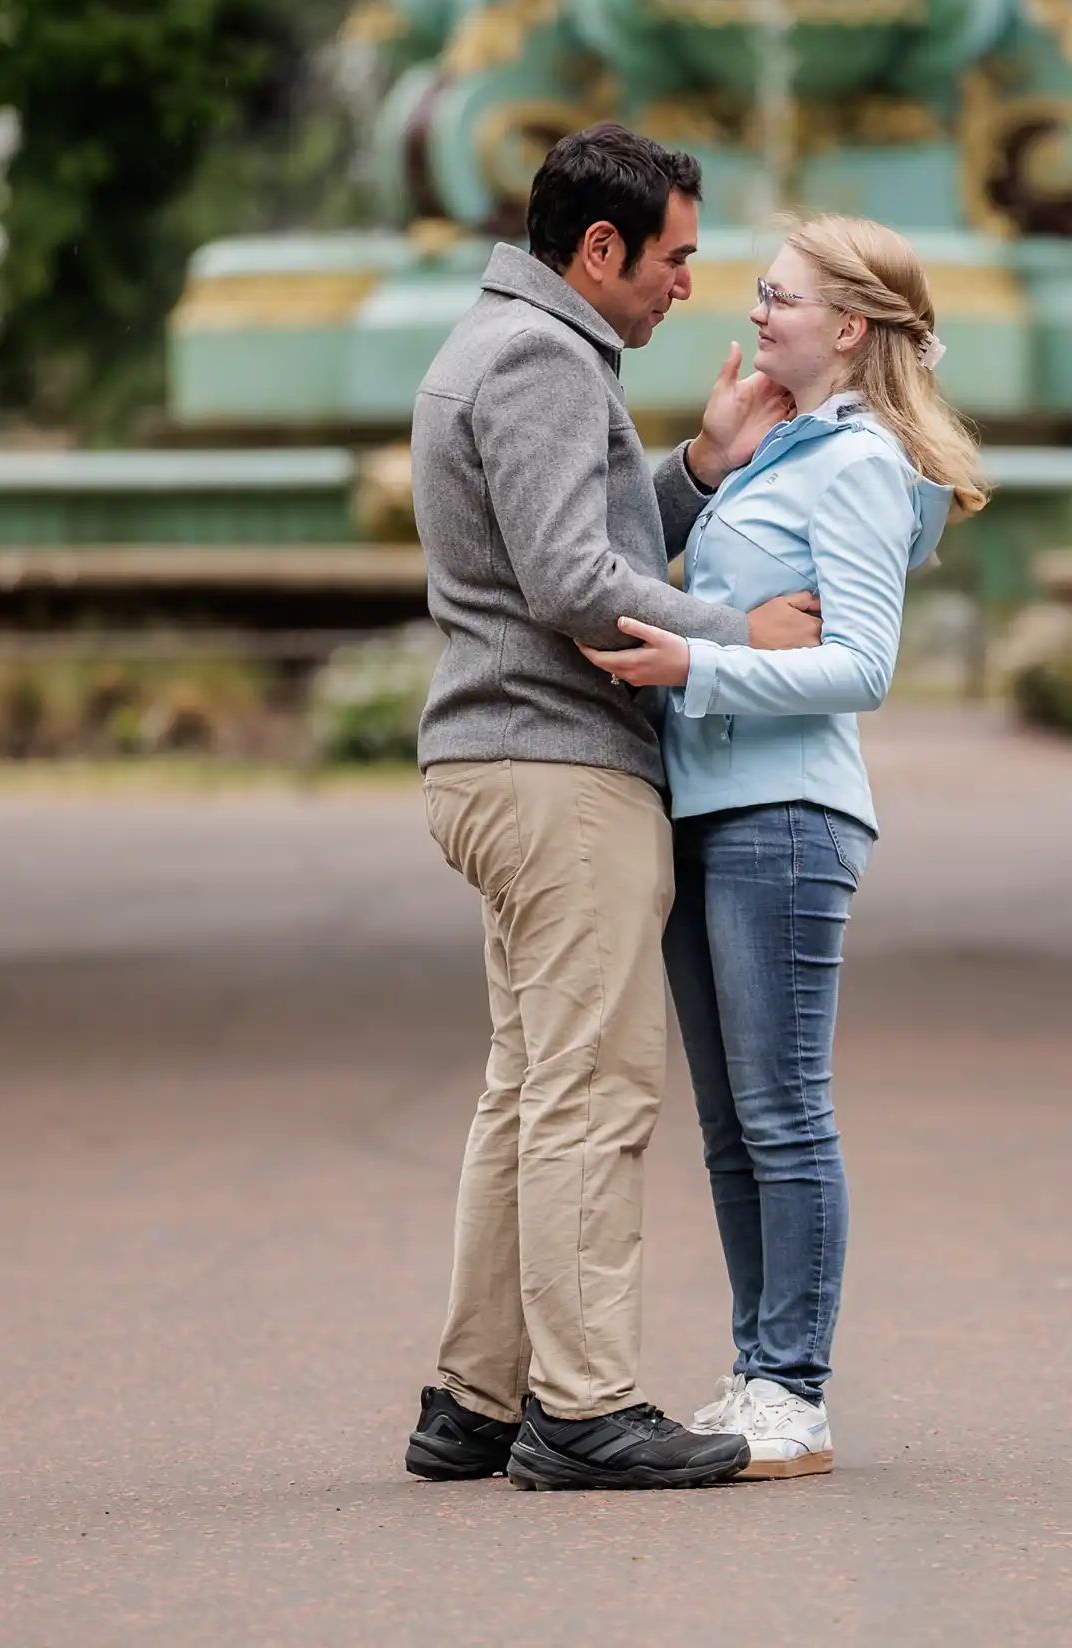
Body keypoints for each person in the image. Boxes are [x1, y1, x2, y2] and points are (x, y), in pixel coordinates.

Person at [404, 123, 822, 1492]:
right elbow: (573, 584)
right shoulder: (536, 355)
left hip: (501, 764)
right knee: (592, 1092)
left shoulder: (508, 342)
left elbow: (574, 538)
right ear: (599, 250)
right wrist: (739, 638)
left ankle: (475, 1398)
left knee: (526, 1089)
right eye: (675, 259)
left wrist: (693, 472)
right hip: (556, 771)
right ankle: (581, 1408)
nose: (686, 287)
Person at [579, 215, 988, 1480]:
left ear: (849, 327)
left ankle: (793, 1390)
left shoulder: (860, 462)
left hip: (786, 818)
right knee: (729, 1125)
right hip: (707, 807)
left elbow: (859, 666)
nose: (752, 313)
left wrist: (697, 660)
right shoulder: (780, 451)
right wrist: (712, 455)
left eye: (777, 298)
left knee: (782, 1113)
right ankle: (756, 1372)